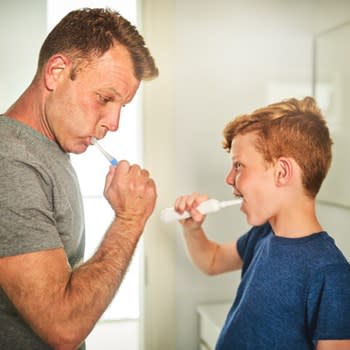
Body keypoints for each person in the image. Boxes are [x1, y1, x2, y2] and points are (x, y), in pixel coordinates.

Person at [0, 8, 158, 350]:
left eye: (121, 107)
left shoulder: (49, 151)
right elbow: (63, 327)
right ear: (56, 72)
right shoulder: (9, 162)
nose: (113, 123)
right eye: (104, 99)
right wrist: (129, 219)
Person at [174, 97, 350, 350]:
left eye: (238, 166)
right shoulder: (262, 236)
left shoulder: (330, 273)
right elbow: (211, 261)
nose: (228, 178)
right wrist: (192, 228)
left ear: (281, 172)